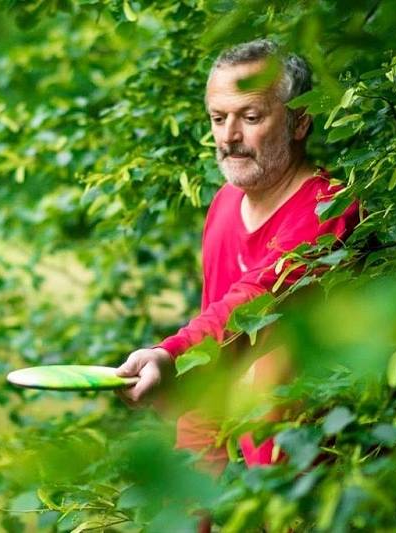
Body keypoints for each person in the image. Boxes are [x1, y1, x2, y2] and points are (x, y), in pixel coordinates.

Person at [116, 39, 360, 473]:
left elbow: (255, 299)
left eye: (250, 118)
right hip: (239, 475)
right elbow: (219, 346)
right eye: (217, 118)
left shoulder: (329, 207)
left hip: (313, 479)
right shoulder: (225, 204)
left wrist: (170, 354)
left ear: (299, 121)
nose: (229, 136)